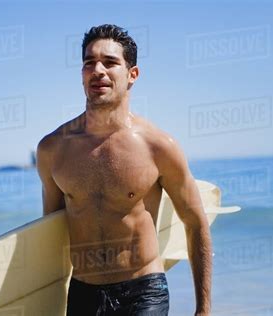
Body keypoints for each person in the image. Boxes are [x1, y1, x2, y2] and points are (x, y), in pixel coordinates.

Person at [36, 24, 212, 316]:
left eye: (110, 62)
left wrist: (203, 310)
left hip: (143, 291)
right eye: (89, 63)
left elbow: (196, 224)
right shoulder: (53, 150)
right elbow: (51, 230)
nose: (98, 70)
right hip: (82, 293)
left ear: (132, 75)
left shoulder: (159, 146)